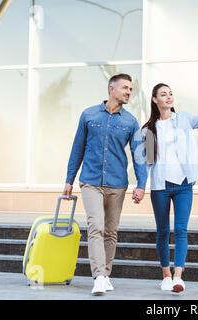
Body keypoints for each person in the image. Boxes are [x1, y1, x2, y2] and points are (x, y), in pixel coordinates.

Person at [140, 83, 198, 293]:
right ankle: (165, 275)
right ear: (155, 100)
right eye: (163, 94)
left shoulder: (184, 119)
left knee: (181, 230)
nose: (169, 97)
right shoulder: (148, 129)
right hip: (160, 186)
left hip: (183, 185)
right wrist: (141, 186)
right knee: (162, 232)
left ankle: (178, 277)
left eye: (171, 93)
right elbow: (148, 161)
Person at [63, 73, 147, 296]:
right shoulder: (89, 114)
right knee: (95, 226)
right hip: (90, 181)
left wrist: (141, 184)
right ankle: (99, 276)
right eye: (125, 88)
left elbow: (139, 155)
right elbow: (77, 148)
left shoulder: (130, 121)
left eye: (130, 89)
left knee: (110, 231)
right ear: (112, 89)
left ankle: (105, 275)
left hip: (117, 184)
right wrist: (69, 180)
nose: (129, 92)